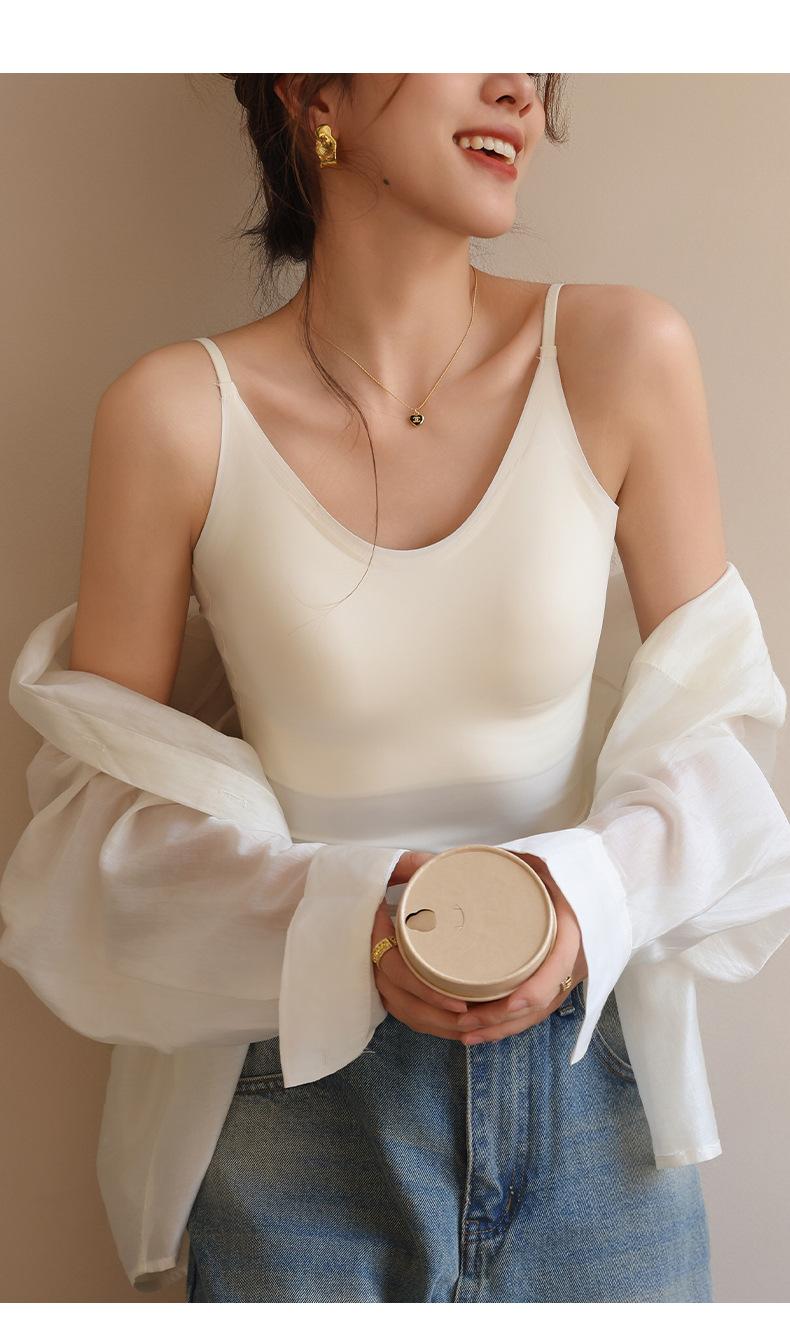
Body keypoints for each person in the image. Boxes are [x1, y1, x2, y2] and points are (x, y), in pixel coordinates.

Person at [3, 73, 789, 1302]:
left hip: (593, 1090)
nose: (516, 86)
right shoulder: (175, 415)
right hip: (297, 1098)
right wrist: (344, 926)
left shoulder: (620, 354)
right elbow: (99, 834)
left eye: (530, 53)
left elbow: (713, 741)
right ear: (313, 90)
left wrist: (578, 901)